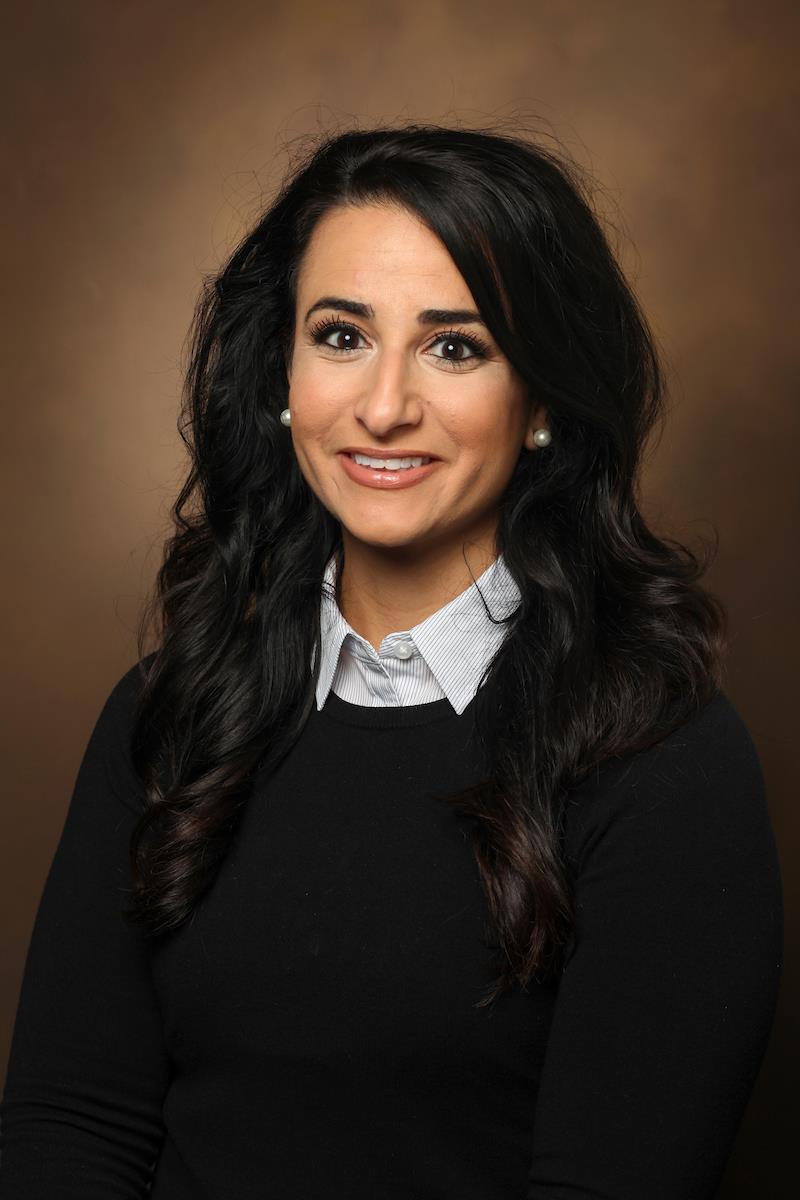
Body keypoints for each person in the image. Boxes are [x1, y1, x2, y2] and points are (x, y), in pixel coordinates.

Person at [0, 123, 784, 1199]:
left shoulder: (664, 762)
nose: (381, 406)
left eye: (453, 346)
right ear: (281, 372)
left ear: (543, 399)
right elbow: (69, 1124)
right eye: (340, 335)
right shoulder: (172, 714)